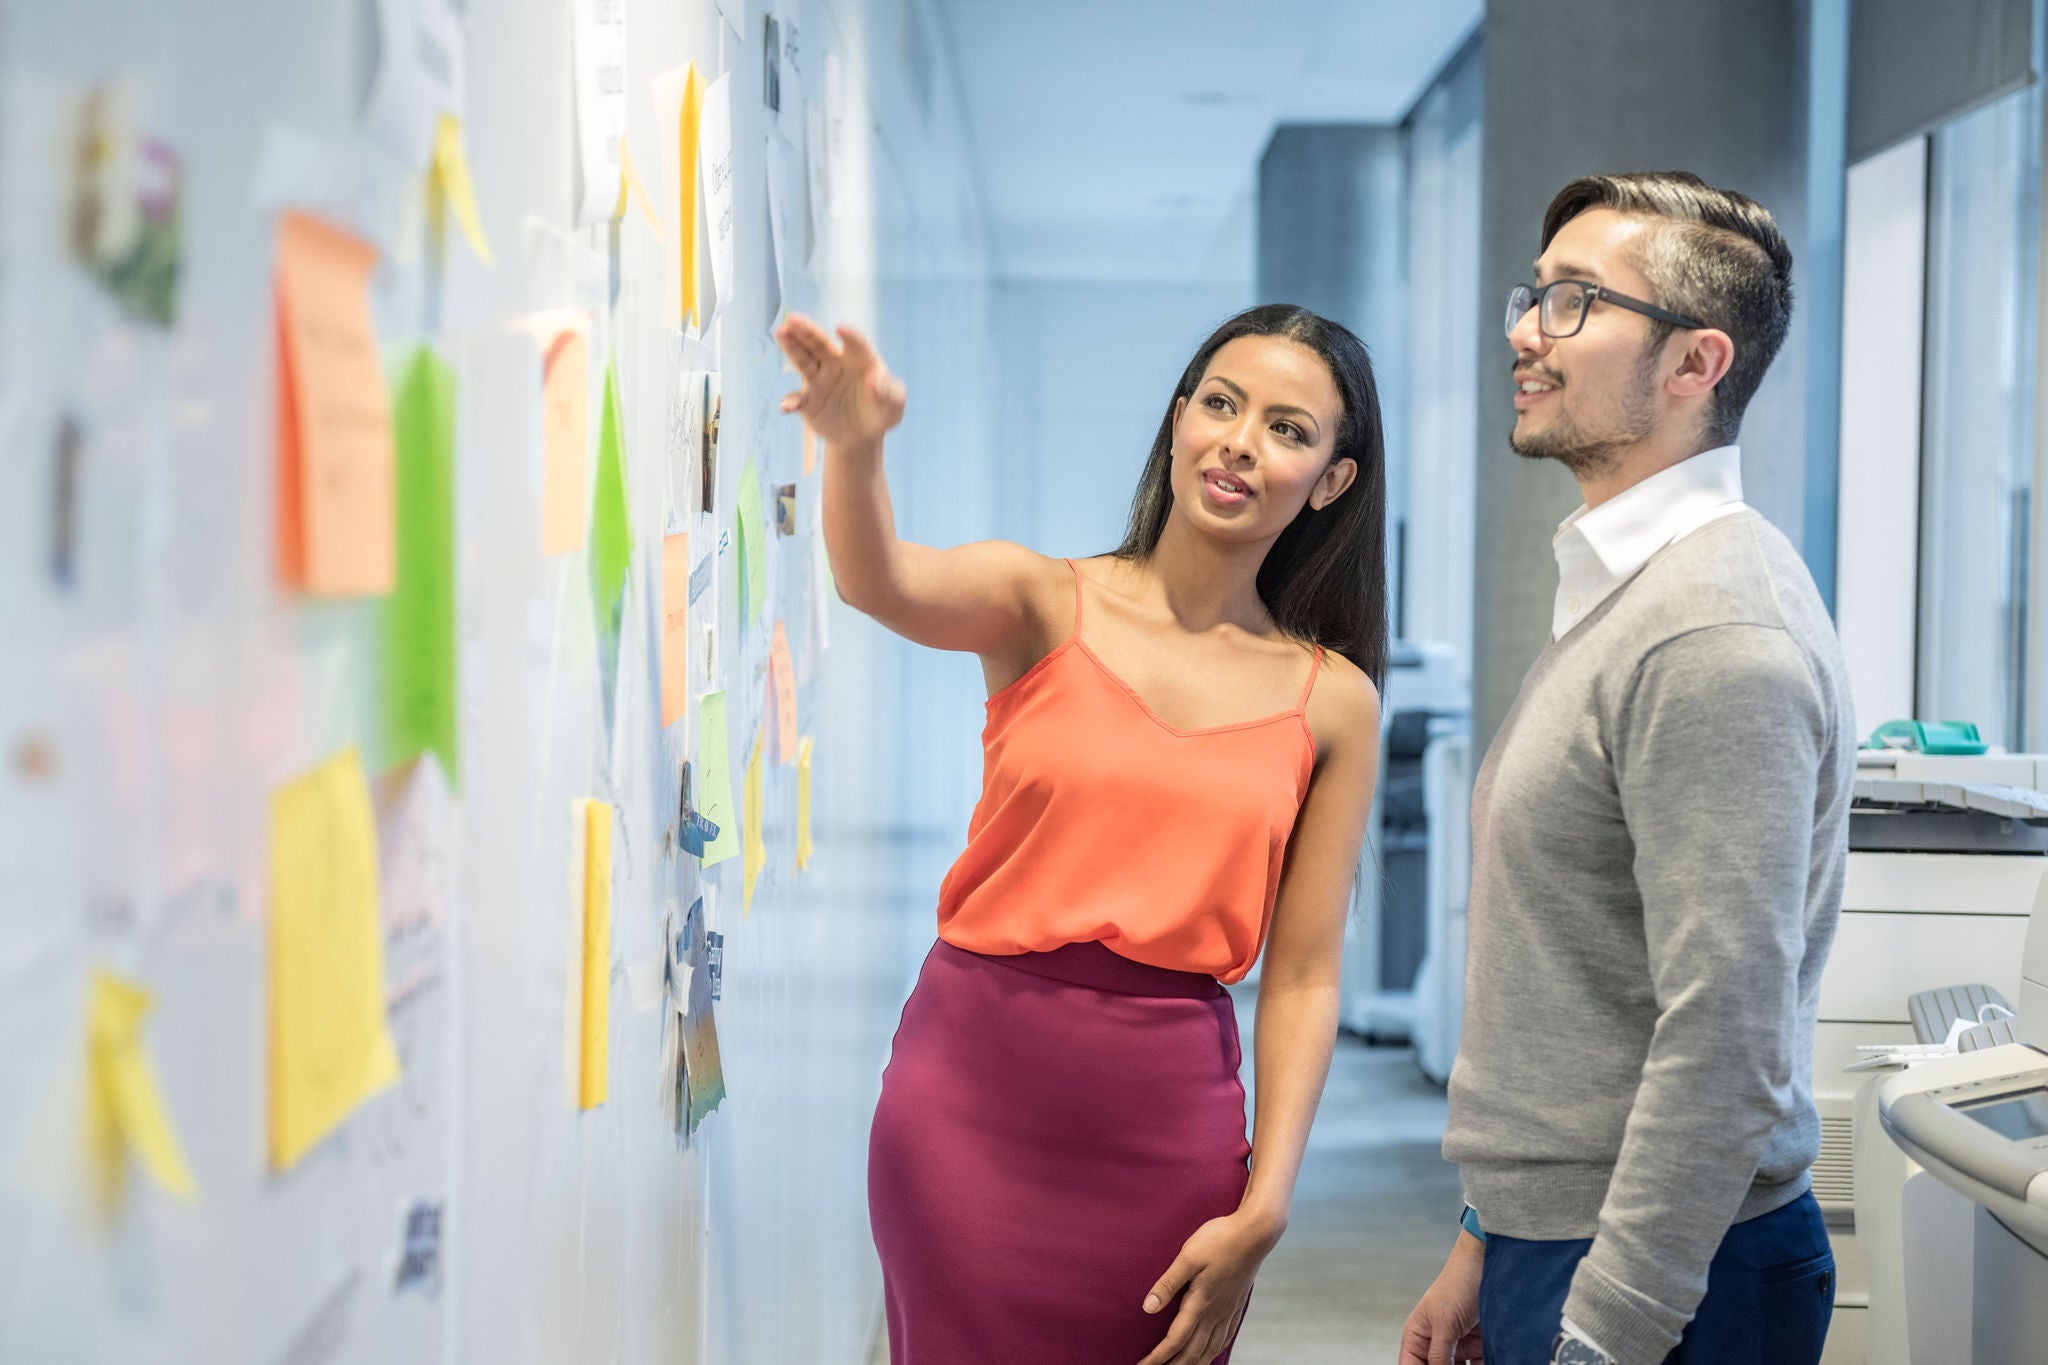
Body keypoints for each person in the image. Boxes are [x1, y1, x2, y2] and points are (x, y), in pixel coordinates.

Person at [773, 303, 1385, 1364]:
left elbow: (1300, 979)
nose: (1240, 441)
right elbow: (879, 581)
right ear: (1178, 418)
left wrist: (1266, 1200)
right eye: (1221, 404)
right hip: (964, 1101)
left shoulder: (1331, 703)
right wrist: (855, 450)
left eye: (1287, 429)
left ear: (1330, 479)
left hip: (1166, 1128)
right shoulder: (1039, 602)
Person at [1400, 171, 1853, 1365]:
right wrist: (1483, 1235)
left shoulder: (1713, 634)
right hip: (1557, 1238)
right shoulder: (1630, 592)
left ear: (1693, 365)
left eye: (1571, 303)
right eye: (1532, 295)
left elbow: (1725, 1037)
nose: (1521, 331)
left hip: (1659, 1274)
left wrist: (1606, 1334)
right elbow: (1581, 979)